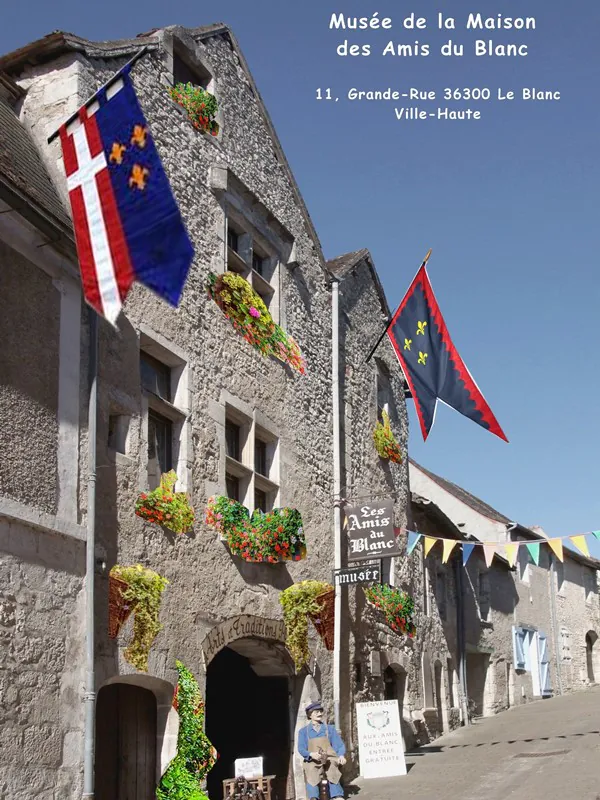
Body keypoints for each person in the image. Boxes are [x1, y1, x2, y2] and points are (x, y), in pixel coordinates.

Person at [297, 701, 346, 799]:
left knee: (333, 768)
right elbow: (301, 748)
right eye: (316, 712)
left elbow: (339, 745)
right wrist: (310, 754)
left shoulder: (329, 729)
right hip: (313, 760)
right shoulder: (303, 732)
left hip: (329, 758)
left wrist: (341, 755)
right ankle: (313, 797)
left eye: (320, 711)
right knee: (311, 770)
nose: (319, 714)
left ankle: (337, 795)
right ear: (310, 715)